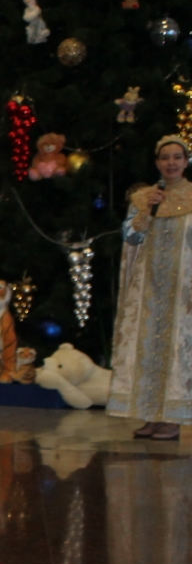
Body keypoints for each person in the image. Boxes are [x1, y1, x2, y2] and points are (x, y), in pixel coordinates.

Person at [108, 134, 192, 441]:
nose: (171, 163)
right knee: (146, 347)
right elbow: (131, 237)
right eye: (165, 158)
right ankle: (149, 415)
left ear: (186, 161)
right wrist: (145, 212)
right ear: (157, 163)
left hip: (183, 288)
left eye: (177, 157)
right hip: (149, 287)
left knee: (176, 350)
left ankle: (172, 418)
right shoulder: (144, 197)